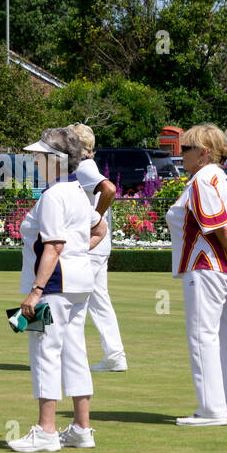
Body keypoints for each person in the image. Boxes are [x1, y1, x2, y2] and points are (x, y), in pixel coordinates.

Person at [8, 127, 107, 453]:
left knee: (45, 352)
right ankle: (81, 428)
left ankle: (46, 431)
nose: (36, 161)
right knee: (75, 352)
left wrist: (36, 291)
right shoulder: (77, 191)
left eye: (40, 156)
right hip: (79, 283)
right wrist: (78, 254)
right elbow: (100, 228)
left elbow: (53, 246)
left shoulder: (52, 196)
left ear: (56, 160)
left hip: (55, 285)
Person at [166, 123, 227, 425]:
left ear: (203, 153)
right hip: (225, 270)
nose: (181, 154)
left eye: (186, 149)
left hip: (206, 267)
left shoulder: (203, 180)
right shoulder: (223, 179)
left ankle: (211, 410)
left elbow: (223, 228)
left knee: (202, 337)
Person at [67, 123, 128, 372]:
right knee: (98, 301)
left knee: (74, 298)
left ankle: (71, 357)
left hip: (91, 243)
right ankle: (114, 356)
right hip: (97, 244)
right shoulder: (83, 166)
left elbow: (110, 189)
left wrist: (95, 218)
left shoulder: (84, 167)